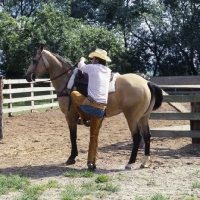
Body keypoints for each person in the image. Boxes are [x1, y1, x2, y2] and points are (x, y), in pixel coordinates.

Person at [70, 48, 112, 170]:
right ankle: (91, 162)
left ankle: (82, 119)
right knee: (94, 136)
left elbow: (81, 66)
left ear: (97, 60)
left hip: (89, 106)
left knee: (73, 94)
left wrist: (82, 59)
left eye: (93, 58)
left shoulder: (92, 67)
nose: (92, 60)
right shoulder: (108, 71)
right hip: (101, 110)